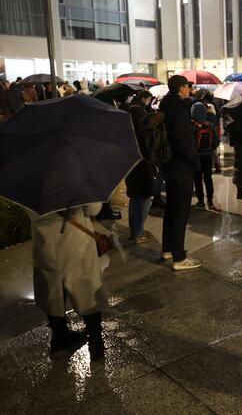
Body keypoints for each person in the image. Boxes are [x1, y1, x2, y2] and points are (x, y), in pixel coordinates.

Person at [31, 203, 107, 360]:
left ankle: (59, 338)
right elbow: (93, 209)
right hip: (75, 242)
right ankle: (95, 342)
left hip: (44, 242)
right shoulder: (74, 179)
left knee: (53, 291)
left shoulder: (28, 182)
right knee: (87, 289)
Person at [159, 75, 202, 271]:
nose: (189, 90)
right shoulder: (178, 109)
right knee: (180, 212)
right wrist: (195, 163)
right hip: (180, 167)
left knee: (171, 209)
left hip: (169, 165)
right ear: (180, 89)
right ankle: (179, 257)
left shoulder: (166, 105)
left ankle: (168, 248)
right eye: (187, 87)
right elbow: (183, 141)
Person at [125, 105, 155, 244]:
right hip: (143, 168)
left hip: (130, 168)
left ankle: (134, 230)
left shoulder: (127, 133)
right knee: (144, 199)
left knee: (134, 200)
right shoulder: (144, 132)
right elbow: (149, 151)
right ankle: (139, 232)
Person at [190, 102, 219, 209]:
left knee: (197, 179)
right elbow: (216, 141)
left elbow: (189, 142)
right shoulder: (210, 125)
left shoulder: (192, 126)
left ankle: (200, 202)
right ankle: (210, 202)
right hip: (208, 156)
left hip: (196, 156)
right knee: (208, 178)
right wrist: (210, 149)